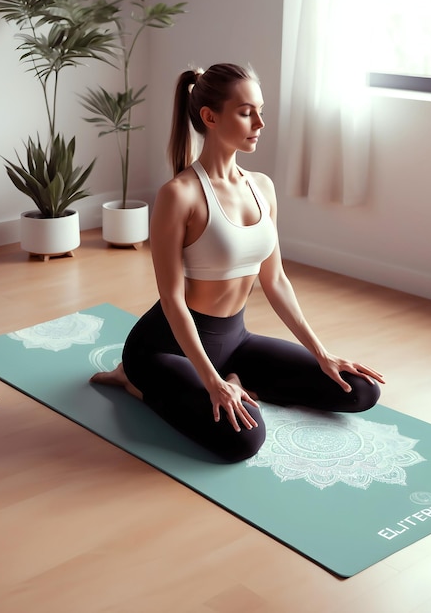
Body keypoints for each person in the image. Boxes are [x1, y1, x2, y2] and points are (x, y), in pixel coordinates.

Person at [91, 63, 384, 462]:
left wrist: (322, 353)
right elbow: (172, 299)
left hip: (235, 341)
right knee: (244, 440)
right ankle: (133, 381)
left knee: (359, 391)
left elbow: (275, 279)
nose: (260, 122)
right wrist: (212, 382)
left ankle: (236, 378)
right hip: (166, 349)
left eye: (260, 110)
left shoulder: (262, 187)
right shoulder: (180, 194)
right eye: (247, 112)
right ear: (210, 117)